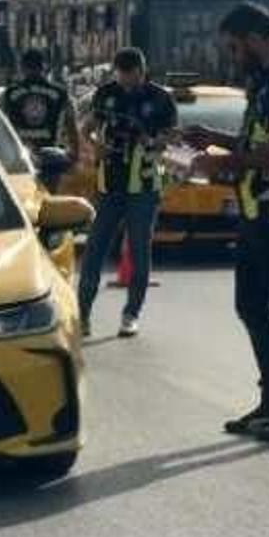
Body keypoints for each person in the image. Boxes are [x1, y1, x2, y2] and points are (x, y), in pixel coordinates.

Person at [183, 2, 269, 442]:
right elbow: (255, 140)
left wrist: (221, 166)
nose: (231, 54)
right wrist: (214, 140)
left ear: (256, 37)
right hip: (256, 210)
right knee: (250, 306)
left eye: (234, 45)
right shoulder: (263, 81)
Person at [78, 47, 177, 338]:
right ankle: (82, 314)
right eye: (120, 75)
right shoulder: (106, 93)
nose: (124, 82)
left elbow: (171, 134)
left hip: (143, 186)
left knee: (139, 251)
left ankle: (131, 314)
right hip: (110, 184)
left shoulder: (160, 98)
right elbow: (88, 127)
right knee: (94, 251)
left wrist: (154, 141)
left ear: (141, 71)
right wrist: (94, 143)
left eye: (129, 76)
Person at [0, 48, 80, 155]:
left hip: (19, 157)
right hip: (51, 155)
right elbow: (71, 125)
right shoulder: (60, 93)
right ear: (44, 67)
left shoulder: (9, 93)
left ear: (22, 67)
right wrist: (74, 153)